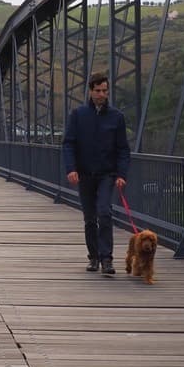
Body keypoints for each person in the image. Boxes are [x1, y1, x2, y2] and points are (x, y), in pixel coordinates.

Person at [63, 72, 130, 275]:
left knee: (104, 212)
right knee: (90, 218)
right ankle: (93, 257)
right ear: (90, 91)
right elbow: (68, 144)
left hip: (106, 174)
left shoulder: (117, 117)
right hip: (84, 174)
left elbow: (123, 149)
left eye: (105, 90)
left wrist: (121, 174)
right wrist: (71, 169)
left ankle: (107, 258)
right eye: (98, 90)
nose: (102, 94)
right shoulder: (78, 114)